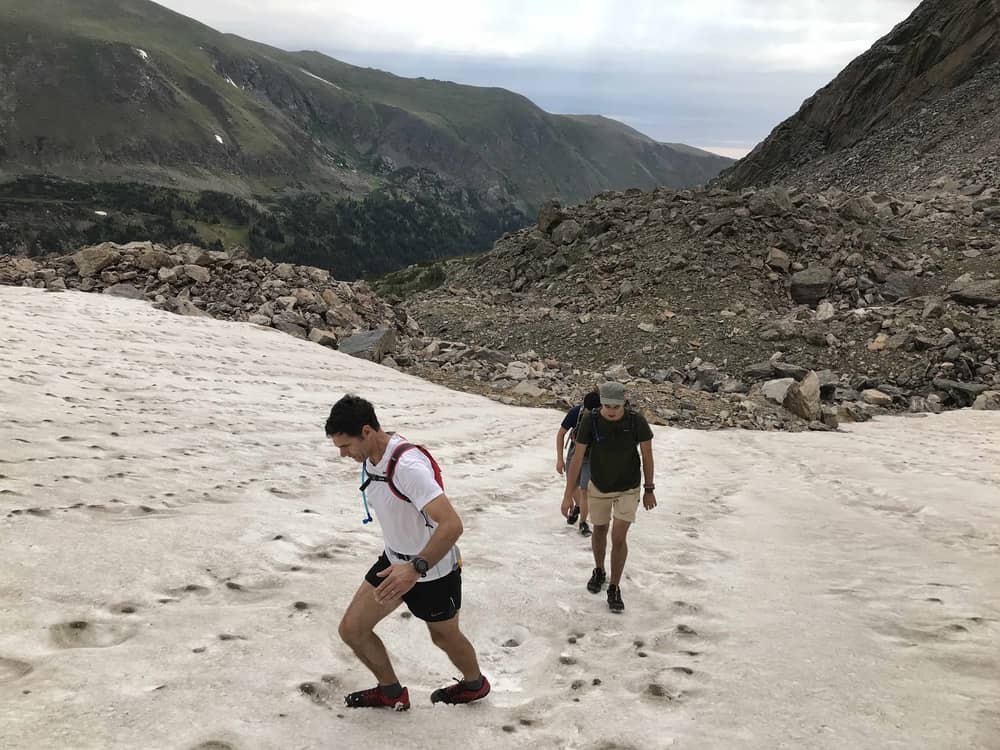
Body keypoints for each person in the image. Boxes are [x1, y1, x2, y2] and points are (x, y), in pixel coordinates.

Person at [325, 394, 490, 710]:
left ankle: (475, 684)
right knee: (352, 630)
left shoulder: (407, 467)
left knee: (443, 637)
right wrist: (402, 566)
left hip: (432, 570)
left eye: (346, 446)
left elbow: (452, 525)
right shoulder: (373, 459)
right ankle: (391, 692)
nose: (343, 455)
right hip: (394, 562)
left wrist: (415, 569)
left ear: (367, 432)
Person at [561, 382, 656, 613]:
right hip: (599, 486)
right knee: (600, 530)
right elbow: (577, 458)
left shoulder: (636, 421)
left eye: (615, 405)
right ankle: (599, 569)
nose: (611, 410)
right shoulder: (589, 421)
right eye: (606, 405)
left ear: (624, 401)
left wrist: (649, 489)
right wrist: (567, 495)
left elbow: (647, 455)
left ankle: (614, 586)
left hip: (628, 487)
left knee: (618, 537)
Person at [555, 389, 602, 537]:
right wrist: (560, 459)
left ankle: (583, 522)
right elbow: (561, 433)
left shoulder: (604, 416)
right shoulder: (575, 413)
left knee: (585, 489)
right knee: (572, 484)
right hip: (575, 451)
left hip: (592, 454)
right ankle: (578, 506)